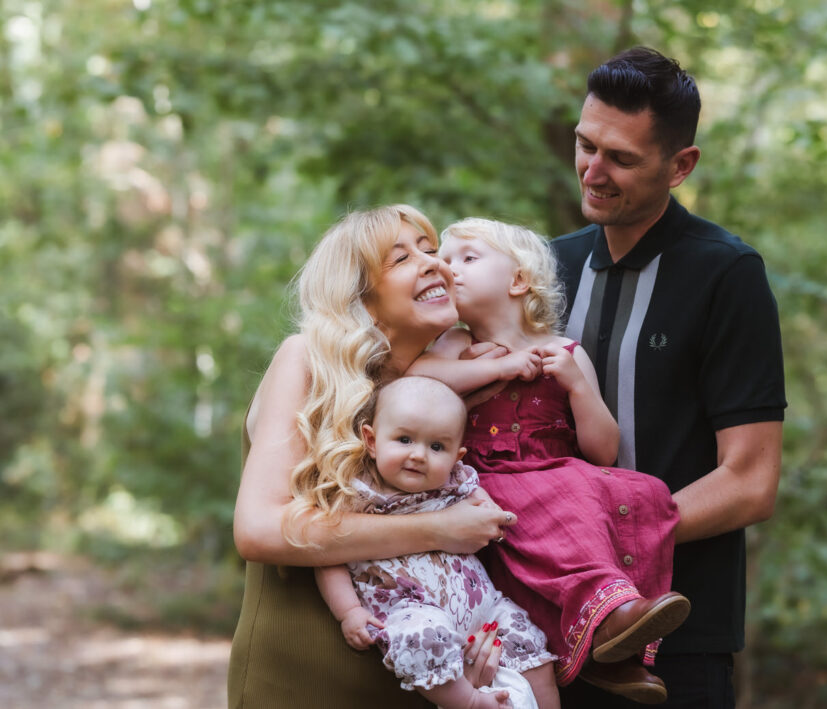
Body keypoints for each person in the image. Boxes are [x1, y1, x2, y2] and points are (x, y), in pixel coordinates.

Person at [550, 47, 787, 707]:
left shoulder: (727, 274)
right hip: (544, 633)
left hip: (678, 638)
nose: (592, 171)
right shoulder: (544, 268)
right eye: (585, 145)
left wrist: (614, 533)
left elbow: (751, 480)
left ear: (681, 166)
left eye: (621, 158)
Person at [228, 205, 521, 708]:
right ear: (359, 296)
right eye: (401, 258)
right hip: (305, 682)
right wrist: (439, 529)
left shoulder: (443, 395)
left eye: (431, 250)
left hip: (430, 686)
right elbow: (258, 530)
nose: (434, 263)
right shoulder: (307, 363)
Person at [409, 217, 690, 705]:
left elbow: (603, 450)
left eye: (467, 258)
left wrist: (578, 386)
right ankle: (611, 622)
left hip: (555, 470)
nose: (448, 269)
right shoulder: (455, 344)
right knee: (565, 502)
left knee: (644, 492)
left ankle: (614, 643)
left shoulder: (563, 352)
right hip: (488, 479)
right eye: (444, 260)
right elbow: (415, 380)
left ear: (518, 280)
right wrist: (496, 366)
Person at [315, 375, 559, 709]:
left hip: (485, 608)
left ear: (457, 457)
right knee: (420, 640)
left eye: (437, 447)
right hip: (412, 610)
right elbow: (329, 556)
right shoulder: (356, 494)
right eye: (404, 439)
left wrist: (491, 512)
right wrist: (349, 611)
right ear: (371, 440)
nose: (418, 455)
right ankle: (469, 702)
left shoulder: (456, 482)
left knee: (530, 645)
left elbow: (485, 509)